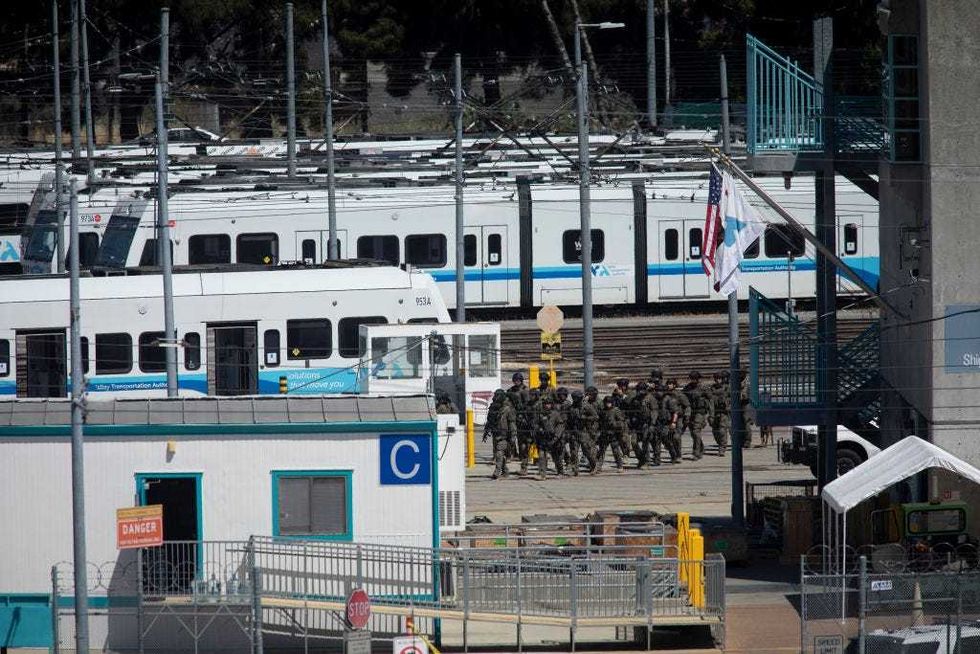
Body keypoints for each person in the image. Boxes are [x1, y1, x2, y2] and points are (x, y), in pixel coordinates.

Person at [483, 390, 517, 479]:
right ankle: (505, 471)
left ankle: (497, 472)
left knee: (499, 452)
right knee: (499, 453)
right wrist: (486, 431)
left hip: (505, 435)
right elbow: (489, 420)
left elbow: (512, 424)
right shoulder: (493, 407)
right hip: (496, 433)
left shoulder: (507, 409)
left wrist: (513, 436)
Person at [566, 390, 598, 475]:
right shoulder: (571, 408)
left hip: (584, 432)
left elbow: (595, 416)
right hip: (574, 432)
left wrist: (585, 418)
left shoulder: (587, 406)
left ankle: (594, 465)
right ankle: (575, 469)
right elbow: (568, 420)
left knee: (587, 451)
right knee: (573, 452)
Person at [535, 396, 566, 479]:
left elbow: (560, 425)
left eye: (549, 404)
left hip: (553, 439)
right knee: (541, 456)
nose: (547, 406)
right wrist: (539, 429)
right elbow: (536, 424)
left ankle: (560, 471)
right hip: (543, 438)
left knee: (556, 457)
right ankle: (543, 474)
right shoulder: (540, 414)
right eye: (545, 404)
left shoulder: (555, 414)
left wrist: (556, 436)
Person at [683, 371, 712, 460]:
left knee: (696, 432)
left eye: (695, 378)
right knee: (693, 433)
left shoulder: (704, 387)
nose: (693, 380)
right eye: (692, 379)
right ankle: (701, 447)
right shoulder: (687, 388)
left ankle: (696, 452)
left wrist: (711, 414)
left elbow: (711, 400)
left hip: (700, 412)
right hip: (691, 412)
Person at [597, 395, 627, 473]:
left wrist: (614, 424)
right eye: (606, 403)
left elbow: (621, 422)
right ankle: (598, 466)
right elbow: (599, 421)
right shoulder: (603, 411)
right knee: (601, 451)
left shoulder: (616, 410)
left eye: (609, 403)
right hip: (605, 434)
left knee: (616, 451)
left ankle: (620, 466)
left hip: (614, 434)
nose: (608, 404)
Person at [660, 381, 683, 464]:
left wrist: (673, 422)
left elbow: (675, 412)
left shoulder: (669, 399)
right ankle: (673, 454)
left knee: (674, 438)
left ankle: (676, 455)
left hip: (670, 421)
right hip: (662, 422)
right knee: (664, 438)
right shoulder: (657, 400)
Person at [710, 371, 730, 456]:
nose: (718, 380)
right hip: (714, 412)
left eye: (720, 378)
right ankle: (720, 444)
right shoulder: (712, 389)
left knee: (722, 430)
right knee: (715, 431)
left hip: (724, 412)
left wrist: (728, 405)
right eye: (717, 378)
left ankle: (722, 448)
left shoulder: (727, 388)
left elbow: (733, 398)